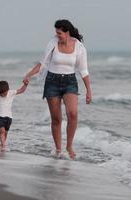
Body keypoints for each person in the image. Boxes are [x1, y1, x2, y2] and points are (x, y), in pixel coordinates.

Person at [23, 19, 92, 159]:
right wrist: (29, 75)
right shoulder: (52, 43)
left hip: (70, 82)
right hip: (52, 82)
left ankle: (69, 145)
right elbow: (43, 63)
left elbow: (83, 70)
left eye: (59, 32)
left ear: (67, 32)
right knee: (56, 119)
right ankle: (59, 149)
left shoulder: (79, 47)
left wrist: (89, 90)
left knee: (72, 114)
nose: (57, 35)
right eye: (56, 32)